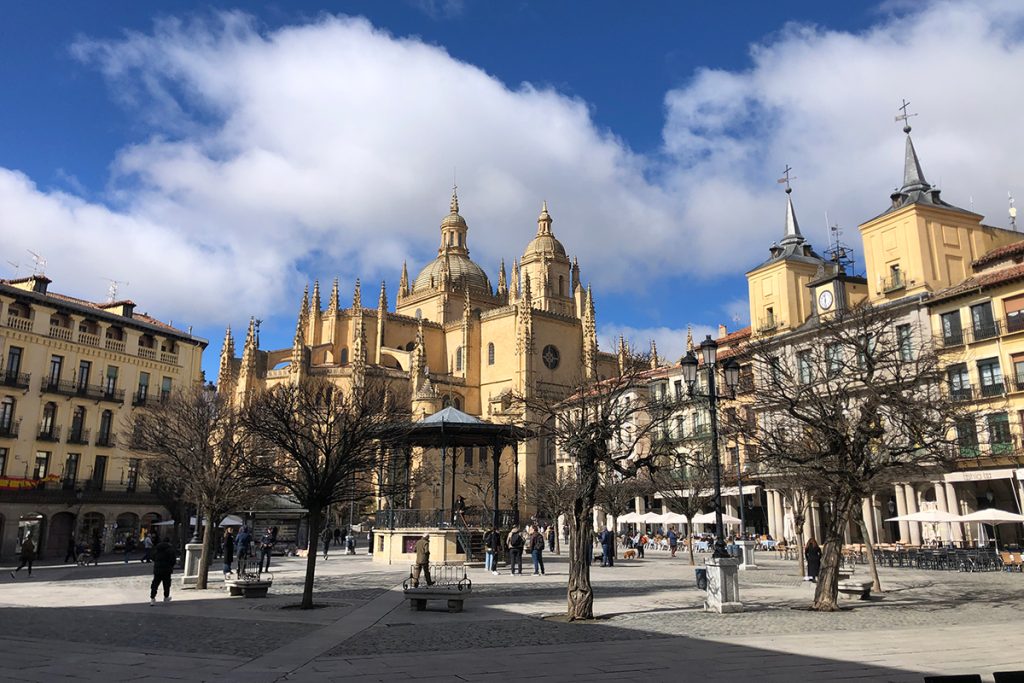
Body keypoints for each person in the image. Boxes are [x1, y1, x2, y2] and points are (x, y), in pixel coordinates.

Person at [149, 536, 177, 606]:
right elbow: (173, 560)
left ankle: (152, 598)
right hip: (167, 569)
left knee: (155, 584)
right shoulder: (170, 550)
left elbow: (152, 557)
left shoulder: (157, 549)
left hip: (157, 569)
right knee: (166, 584)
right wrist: (171, 565)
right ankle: (166, 597)